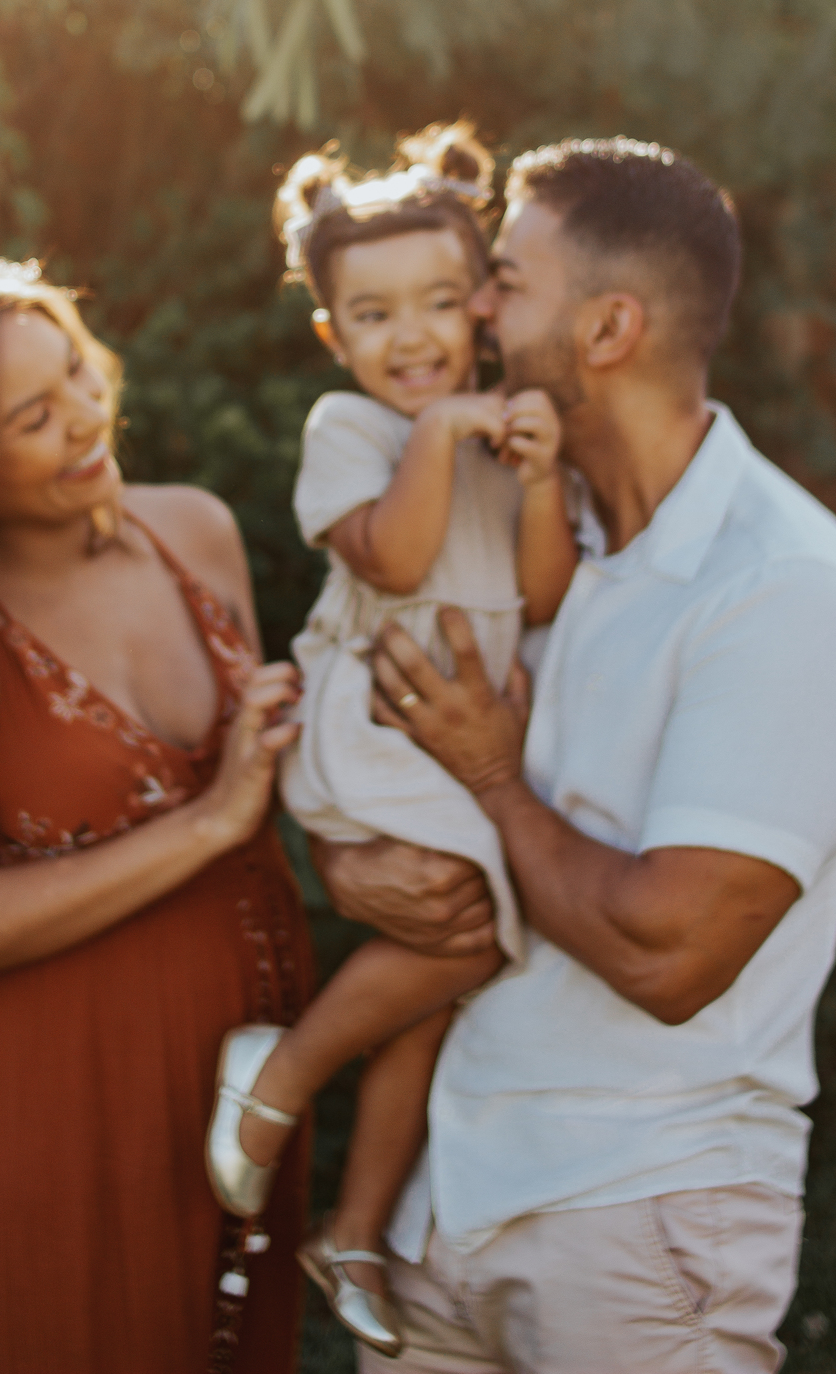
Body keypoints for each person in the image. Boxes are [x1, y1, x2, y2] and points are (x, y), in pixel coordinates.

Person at [314, 137, 836, 1374]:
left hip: (639, 1211)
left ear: (609, 327)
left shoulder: (782, 587)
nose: (474, 308)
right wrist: (354, 865)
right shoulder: (524, 525)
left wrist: (491, 782)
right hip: (444, 1202)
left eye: (505, 281)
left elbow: (668, 953)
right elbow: (387, 768)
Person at [0, 258, 315, 1374]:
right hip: (51, 1116)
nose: (87, 418)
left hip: (243, 1086)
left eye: (79, 375)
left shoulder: (197, 531)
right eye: (33, 417)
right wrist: (209, 822)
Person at [204, 125, 576, 1355]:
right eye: (373, 315)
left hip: (448, 742)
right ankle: (281, 1074)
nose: (410, 337)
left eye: (436, 303)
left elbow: (543, 595)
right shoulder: (354, 430)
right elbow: (397, 558)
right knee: (471, 927)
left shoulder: (503, 434)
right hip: (369, 728)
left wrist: (537, 481)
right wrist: (440, 433)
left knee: (439, 978)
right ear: (334, 335)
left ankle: (354, 1229)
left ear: (481, 306)